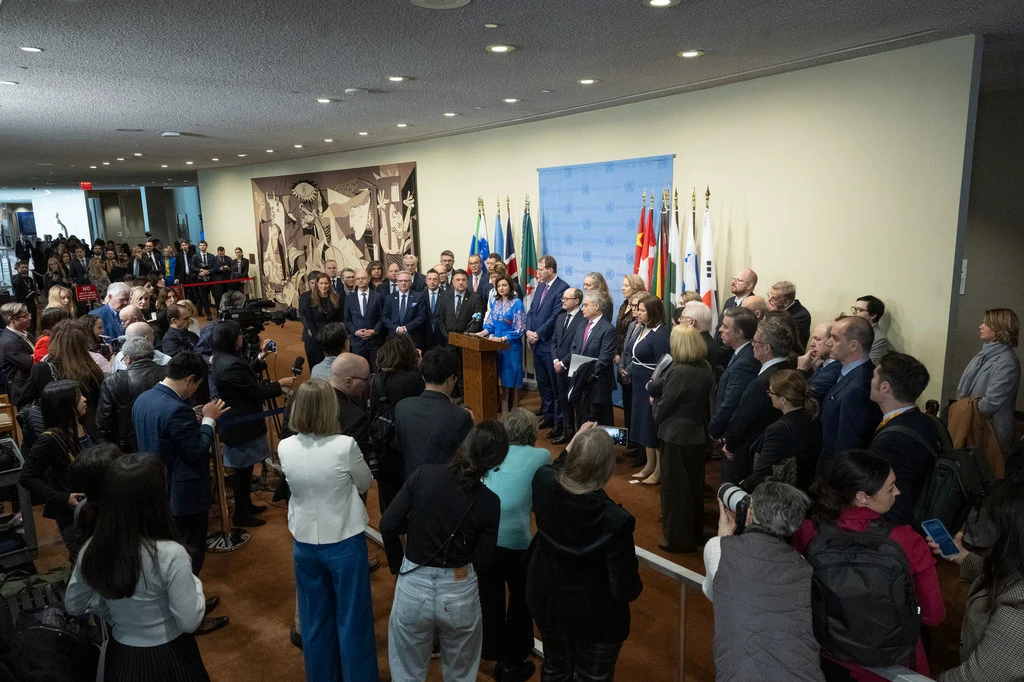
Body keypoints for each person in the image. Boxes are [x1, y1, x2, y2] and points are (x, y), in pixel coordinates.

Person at [792, 450, 945, 679]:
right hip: (892, 661)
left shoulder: (807, 531)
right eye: (891, 488)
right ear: (863, 497)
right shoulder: (906, 540)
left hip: (829, 652)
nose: (898, 492)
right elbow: (934, 615)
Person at [66, 454, 211, 681]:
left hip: (122, 655)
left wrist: (109, 609)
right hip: (173, 655)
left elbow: (74, 604)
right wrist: (197, 586)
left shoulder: (91, 549)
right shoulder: (171, 553)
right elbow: (189, 621)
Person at [381, 421, 507, 682]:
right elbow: (483, 561)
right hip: (459, 588)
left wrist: (398, 565)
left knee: (406, 672)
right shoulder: (490, 502)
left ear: (466, 444)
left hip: (413, 582)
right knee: (461, 674)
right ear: (496, 463)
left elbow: (388, 524)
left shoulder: (423, 474)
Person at [278, 379, 379, 682]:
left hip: (304, 543)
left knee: (314, 619)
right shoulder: (344, 446)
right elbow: (364, 483)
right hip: (345, 542)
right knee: (353, 618)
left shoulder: (284, 446)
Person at [526, 425, 642, 680]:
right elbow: (626, 589)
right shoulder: (617, 520)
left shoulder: (543, 483)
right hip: (596, 617)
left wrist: (575, 444)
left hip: (549, 600)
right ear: (606, 470)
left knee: (555, 670)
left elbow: (556, 471)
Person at [132, 352, 230, 635]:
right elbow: (196, 451)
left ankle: (190, 603)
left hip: (156, 490)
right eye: (195, 385)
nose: (194, 391)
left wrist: (194, 418)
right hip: (183, 496)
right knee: (188, 555)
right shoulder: (178, 411)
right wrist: (208, 421)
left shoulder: (145, 398)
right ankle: (188, 613)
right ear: (190, 379)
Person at [702, 482, 821, 681]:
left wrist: (723, 536)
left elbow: (716, 594)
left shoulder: (718, 548)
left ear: (750, 513)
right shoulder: (802, 564)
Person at [479, 409, 550, 681]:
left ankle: (495, 652)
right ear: (532, 433)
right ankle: (513, 660)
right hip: (519, 542)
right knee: (521, 600)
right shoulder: (541, 456)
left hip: (486, 540)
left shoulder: (491, 453)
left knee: (490, 598)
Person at [927, 481, 1024, 681]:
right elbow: (1006, 577)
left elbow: (974, 677)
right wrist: (962, 556)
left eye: (997, 525)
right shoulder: (1017, 567)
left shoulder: (1018, 614)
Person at [209, 320, 293, 527]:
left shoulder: (222, 359)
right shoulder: (229, 364)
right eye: (238, 335)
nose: (241, 338)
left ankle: (246, 506)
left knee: (245, 471)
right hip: (240, 424)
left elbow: (244, 374)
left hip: (239, 422)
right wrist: (279, 385)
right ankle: (241, 513)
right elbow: (256, 392)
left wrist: (261, 357)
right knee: (243, 471)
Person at [648, 324, 714, 552]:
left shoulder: (679, 371)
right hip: (696, 434)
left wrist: (654, 404)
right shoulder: (705, 366)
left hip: (675, 436)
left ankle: (676, 539)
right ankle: (694, 534)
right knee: (693, 489)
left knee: (674, 491)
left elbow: (665, 405)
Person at [869, 352, 947, 525]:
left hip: (902, 528)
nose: (870, 380)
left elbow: (895, 502)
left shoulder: (890, 441)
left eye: (874, 376)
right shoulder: (930, 422)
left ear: (885, 387)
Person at [19, 380, 93, 558]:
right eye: (78, 397)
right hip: (74, 516)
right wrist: (63, 497)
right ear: (65, 406)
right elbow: (27, 477)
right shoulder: (50, 439)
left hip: (96, 508)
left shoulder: (86, 423)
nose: (84, 399)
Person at [721, 317, 794, 484]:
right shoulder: (787, 368)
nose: (752, 344)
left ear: (767, 348)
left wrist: (729, 444)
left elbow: (743, 418)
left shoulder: (761, 383)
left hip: (748, 451)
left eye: (755, 341)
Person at [393, 349, 473, 485]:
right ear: (450, 380)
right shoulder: (460, 417)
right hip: (446, 488)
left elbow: (399, 448)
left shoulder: (402, 407)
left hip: (410, 486)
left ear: (423, 377)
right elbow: (468, 460)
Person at [818, 315, 881, 472]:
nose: (828, 343)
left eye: (835, 338)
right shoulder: (844, 371)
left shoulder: (859, 386)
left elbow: (846, 445)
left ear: (854, 346)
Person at [955, 308, 1021, 453]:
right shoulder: (984, 354)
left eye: (986, 323)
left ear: (1000, 328)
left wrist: (966, 408)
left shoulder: (1007, 362)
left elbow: (990, 404)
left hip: (990, 431)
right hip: (974, 424)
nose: (981, 326)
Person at [744, 369, 821, 492]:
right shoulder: (811, 417)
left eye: (771, 392)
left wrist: (745, 484)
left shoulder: (778, 430)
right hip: (805, 489)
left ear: (783, 399)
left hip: (781, 496)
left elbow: (762, 473)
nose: (769, 395)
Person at [97, 337, 167, 452]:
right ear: (152, 356)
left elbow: (104, 422)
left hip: (131, 446)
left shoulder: (113, 381)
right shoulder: (169, 373)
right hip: (167, 438)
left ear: (128, 359)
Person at [628, 295, 670, 484]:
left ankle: (659, 470)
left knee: (651, 426)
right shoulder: (642, 329)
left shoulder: (660, 334)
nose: (638, 312)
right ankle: (649, 464)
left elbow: (664, 363)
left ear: (653, 312)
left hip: (650, 385)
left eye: (643, 310)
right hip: (638, 384)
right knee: (643, 424)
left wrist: (654, 386)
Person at [708, 307, 760, 457]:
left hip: (733, 435)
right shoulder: (740, 353)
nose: (720, 330)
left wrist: (714, 428)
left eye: (725, 326)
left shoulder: (746, 362)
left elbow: (732, 401)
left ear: (739, 333)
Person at [525, 256, 569, 429]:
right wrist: (528, 331)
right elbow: (531, 312)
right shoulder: (540, 285)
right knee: (542, 382)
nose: (538, 272)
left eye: (541, 268)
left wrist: (538, 333)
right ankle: (547, 413)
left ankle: (557, 420)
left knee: (553, 384)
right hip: (535, 343)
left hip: (548, 344)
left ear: (550, 270)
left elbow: (555, 316)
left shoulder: (562, 288)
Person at [476, 275, 525, 413]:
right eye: (498, 286)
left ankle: (514, 412)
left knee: (511, 378)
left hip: (511, 347)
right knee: (500, 379)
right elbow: (491, 323)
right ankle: (503, 412)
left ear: (510, 286)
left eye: (504, 285)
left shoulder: (517, 303)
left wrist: (503, 338)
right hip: (495, 346)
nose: (501, 288)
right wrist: (483, 332)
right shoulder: (495, 302)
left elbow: (520, 328)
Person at [569, 290, 618, 427]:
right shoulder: (582, 324)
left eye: (585, 305)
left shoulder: (608, 329)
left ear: (596, 306)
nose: (582, 308)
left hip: (597, 385)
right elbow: (574, 348)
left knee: (598, 423)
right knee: (581, 419)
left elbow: (604, 360)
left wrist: (584, 375)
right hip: (581, 384)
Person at [551, 287, 586, 445]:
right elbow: (554, 342)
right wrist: (555, 361)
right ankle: (567, 431)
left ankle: (579, 436)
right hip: (558, 366)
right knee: (563, 400)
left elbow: (578, 345)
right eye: (563, 298)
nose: (562, 300)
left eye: (566, 298)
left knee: (576, 402)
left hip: (574, 366)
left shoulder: (583, 319)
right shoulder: (560, 317)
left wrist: (564, 363)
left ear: (576, 301)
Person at [344, 268, 384, 369]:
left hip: (374, 342)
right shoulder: (349, 298)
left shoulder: (378, 297)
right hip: (357, 342)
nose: (360, 280)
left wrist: (374, 331)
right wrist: (355, 332)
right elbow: (347, 319)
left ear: (369, 279)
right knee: (359, 371)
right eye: (358, 279)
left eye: (363, 278)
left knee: (376, 370)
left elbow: (382, 317)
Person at [0, 302, 36, 404]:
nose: (29, 318)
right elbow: (31, 363)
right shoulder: (9, 342)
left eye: (29, 314)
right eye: (25, 316)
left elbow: (34, 355)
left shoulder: (25, 333)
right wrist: (36, 356)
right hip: (23, 392)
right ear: (11, 319)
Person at [384, 270, 428, 348]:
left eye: (406, 281)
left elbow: (421, 317)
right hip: (394, 338)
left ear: (410, 282)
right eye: (401, 281)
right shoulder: (389, 298)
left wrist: (405, 328)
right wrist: (397, 328)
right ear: (397, 282)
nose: (403, 283)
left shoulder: (418, 297)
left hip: (412, 337)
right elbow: (385, 317)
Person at [799, 321, 841, 401]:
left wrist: (801, 370)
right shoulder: (825, 364)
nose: (811, 344)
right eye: (812, 338)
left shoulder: (833, 371)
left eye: (818, 339)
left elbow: (799, 398)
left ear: (832, 342)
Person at [767, 280, 811, 349]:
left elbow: (786, 339)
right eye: (769, 296)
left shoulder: (801, 316)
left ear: (786, 302)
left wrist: (775, 315)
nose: (769, 300)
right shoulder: (773, 308)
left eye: (774, 298)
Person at [852, 295, 893, 363]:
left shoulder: (879, 338)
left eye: (860, 310)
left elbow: (868, 364)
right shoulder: (851, 329)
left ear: (873, 315)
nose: (854, 313)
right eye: (855, 309)